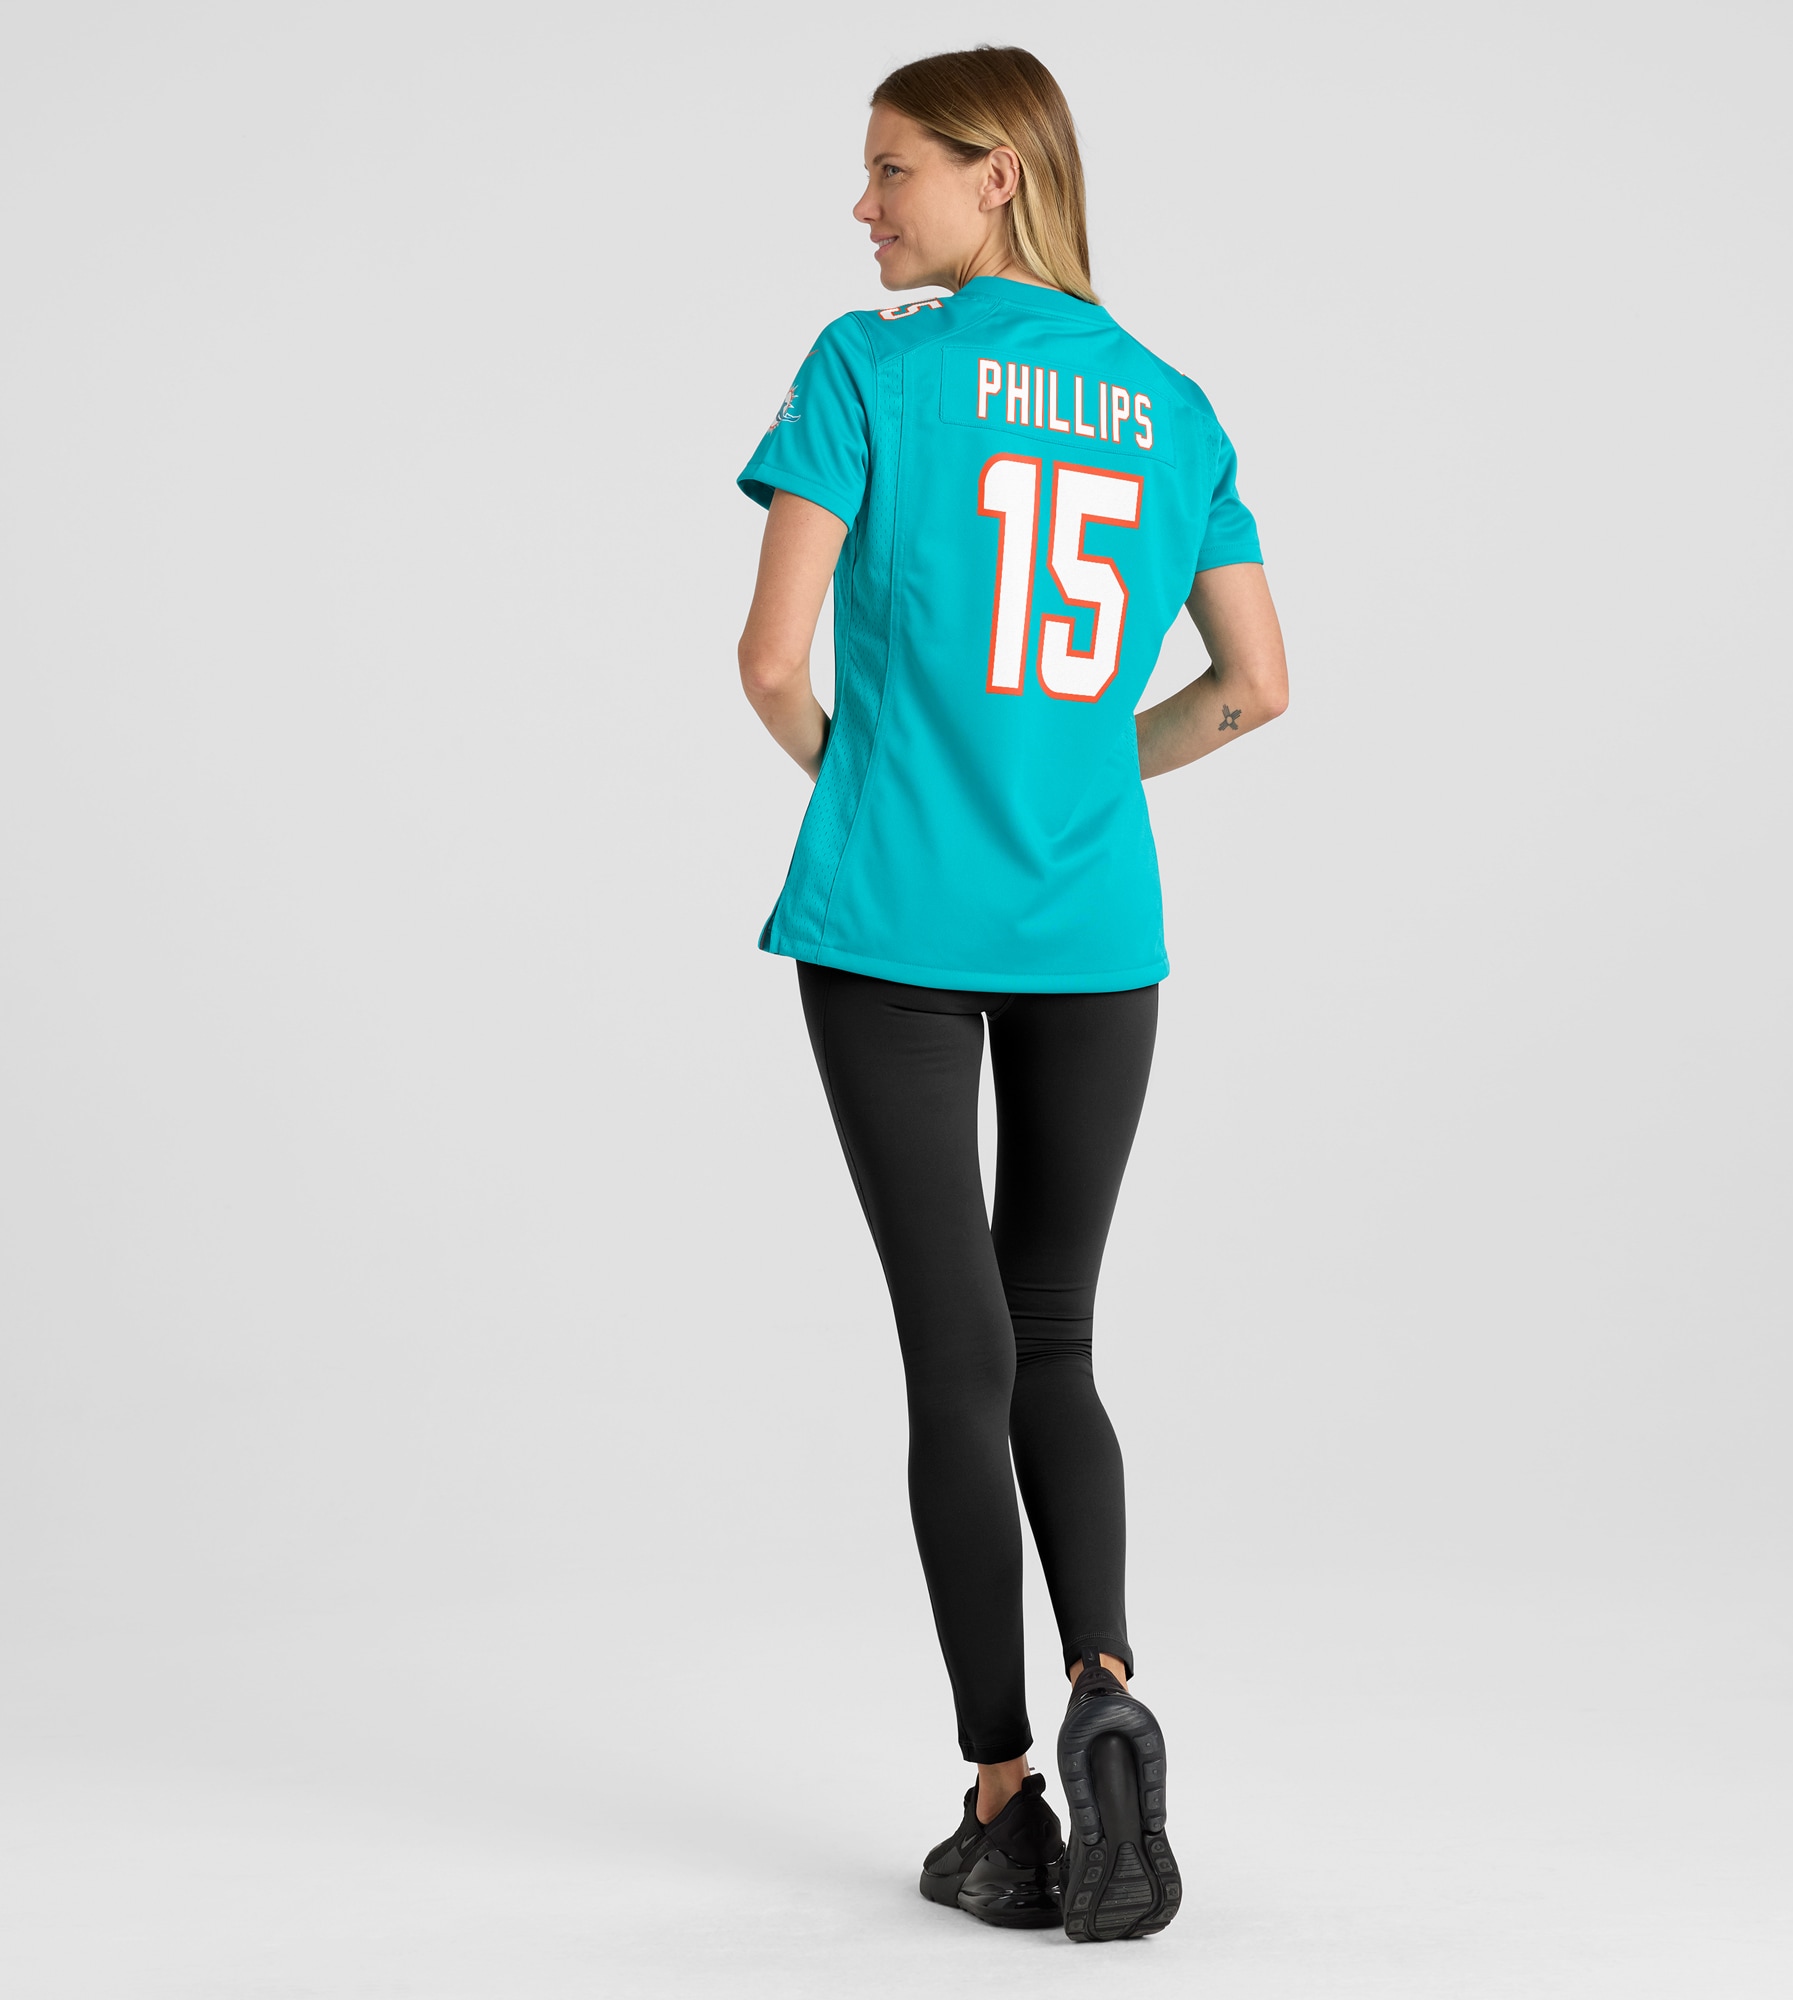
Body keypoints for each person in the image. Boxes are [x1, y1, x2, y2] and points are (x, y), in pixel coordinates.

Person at [734, 45, 1287, 1942]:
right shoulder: (1173, 407)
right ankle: (1110, 1687)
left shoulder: (867, 368)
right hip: (1094, 932)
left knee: (952, 1355)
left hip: (896, 924)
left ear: (998, 173)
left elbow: (770, 660)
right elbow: (1257, 686)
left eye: (892, 170)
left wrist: (881, 794)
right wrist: (1072, 782)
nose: (864, 208)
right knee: (1055, 1330)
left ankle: (1003, 1800)